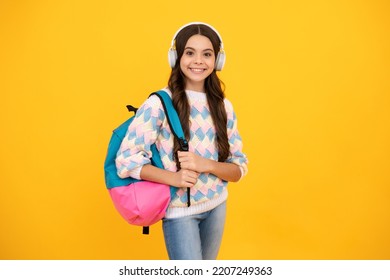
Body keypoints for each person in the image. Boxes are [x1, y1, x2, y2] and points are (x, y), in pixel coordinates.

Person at [115, 22, 248, 260]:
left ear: (217, 61)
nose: (198, 60)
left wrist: (205, 164)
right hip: (179, 213)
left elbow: (238, 169)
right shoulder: (158, 104)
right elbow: (126, 161)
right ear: (176, 57)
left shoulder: (224, 107)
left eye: (207, 54)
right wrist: (174, 178)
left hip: (217, 205)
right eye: (190, 52)